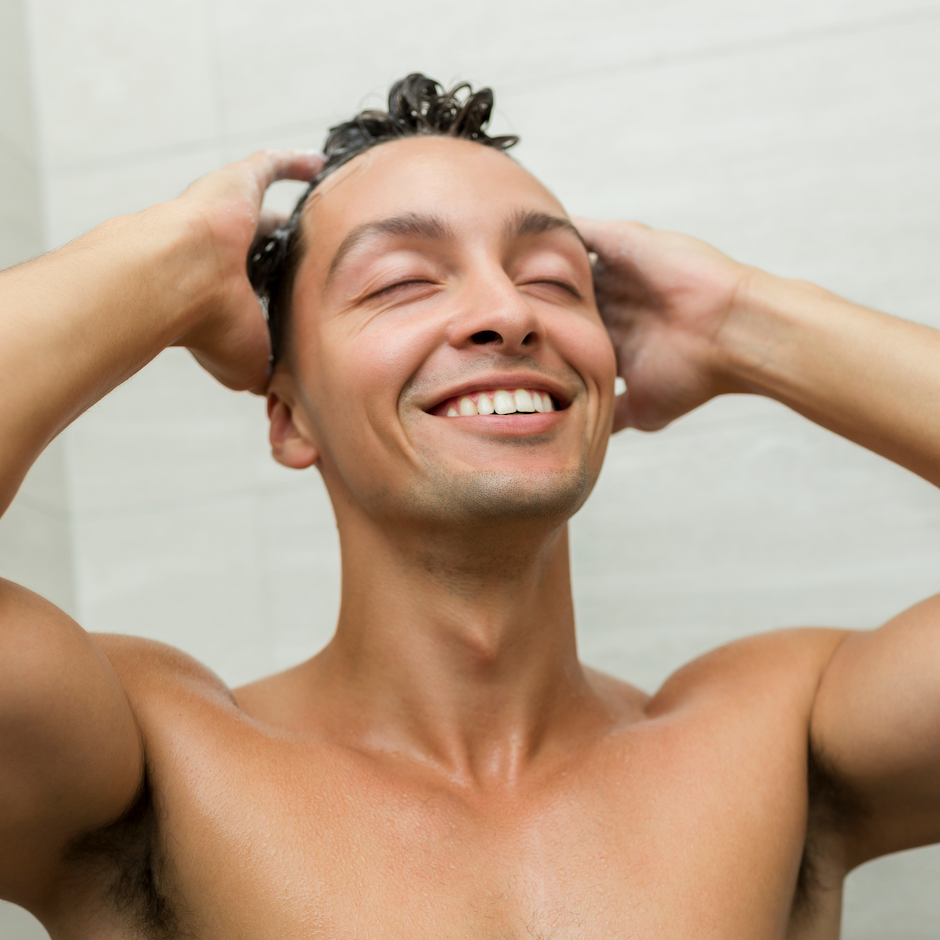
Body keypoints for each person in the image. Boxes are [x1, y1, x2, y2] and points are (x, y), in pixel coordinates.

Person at [1, 72, 939, 940]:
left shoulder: (778, 738)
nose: (510, 314)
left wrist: (744, 322)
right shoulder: (149, 767)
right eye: (402, 280)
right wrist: (172, 261)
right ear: (289, 417)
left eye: (553, 281)